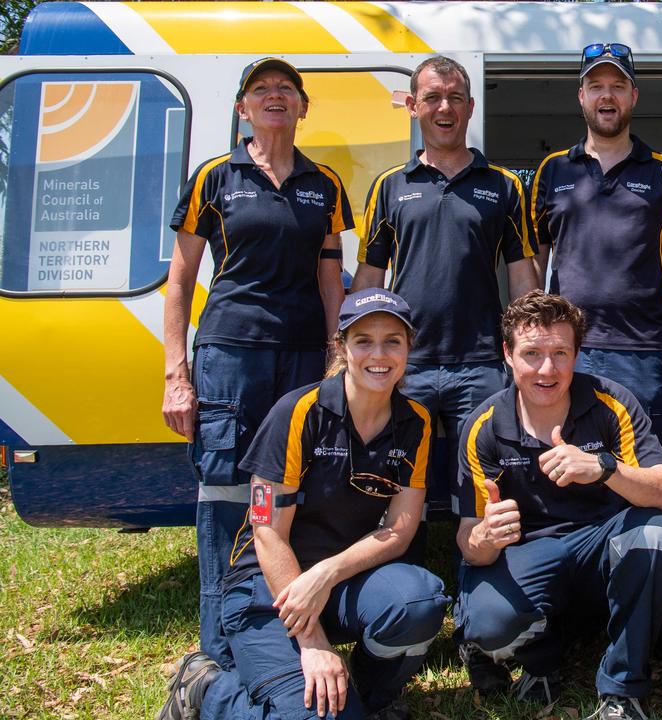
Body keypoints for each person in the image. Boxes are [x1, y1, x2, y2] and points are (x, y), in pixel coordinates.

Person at [158, 288, 449, 720]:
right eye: (363, 340)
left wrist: (326, 574)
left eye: (393, 340)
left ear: (409, 348)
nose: (379, 354)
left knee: (419, 601)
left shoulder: (417, 422)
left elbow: (400, 531)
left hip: (337, 582)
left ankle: (367, 698)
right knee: (316, 716)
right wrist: (312, 643)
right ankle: (209, 690)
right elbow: (265, 528)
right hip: (266, 591)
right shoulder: (297, 412)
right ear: (341, 347)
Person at [162, 57, 353, 670]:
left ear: (303, 107)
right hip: (228, 354)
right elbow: (182, 278)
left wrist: (334, 354)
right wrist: (176, 375)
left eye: (287, 90)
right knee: (224, 491)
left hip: (301, 356)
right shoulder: (214, 178)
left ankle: (279, 627)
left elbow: (331, 279)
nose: (275, 98)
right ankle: (217, 650)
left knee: (284, 491)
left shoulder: (324, 185)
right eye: (261, 90)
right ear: (243, 108)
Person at [454, 291, 662, 720]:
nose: (547, 369)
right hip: (531, 550)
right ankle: (542, 658)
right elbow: (468, 541)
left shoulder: (612, 402)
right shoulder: (483, 426)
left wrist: (604, 468)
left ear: (577, 354)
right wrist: (486, 536)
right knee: (488, 624)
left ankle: (622, 690)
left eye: (560, 353)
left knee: (657, 534)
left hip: (605, 543)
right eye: (532, 353)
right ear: (508, 354)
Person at [353, 55, 540, 521]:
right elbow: (370, 278)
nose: (444, 108)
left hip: (478, 363)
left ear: (471, 107)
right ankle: (393, 586)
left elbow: (522, 275)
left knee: (479, 489)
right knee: (392, 484)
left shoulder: (503, 187)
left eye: (455, 98)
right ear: (414, 106)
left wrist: (527, 348)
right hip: (404, 363)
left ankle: (477, 584)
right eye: (433, 97)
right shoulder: (390, 186)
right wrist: (349, 352)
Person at [531, 42, 662, 465]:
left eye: (617, 85)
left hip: (644, 346)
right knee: (570, 455)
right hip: (569, 345)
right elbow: (535, 262)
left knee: (646, 462)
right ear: (582, 97)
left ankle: (652, 533)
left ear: (633, 96)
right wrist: (536, 335)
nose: (606, 95)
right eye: (596, 86)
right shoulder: (553, 170)